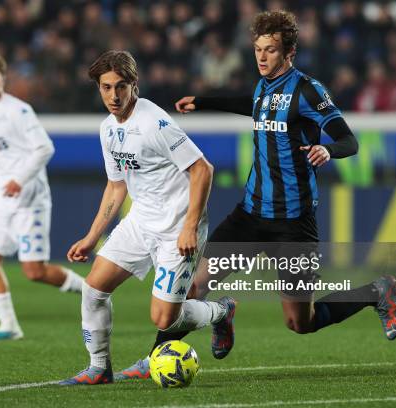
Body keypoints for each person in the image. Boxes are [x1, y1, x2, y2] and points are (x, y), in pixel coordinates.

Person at [116, 10, 396, 381]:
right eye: (257, 49)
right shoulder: (263, 86)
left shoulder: (307, 90)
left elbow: (348, 138)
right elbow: (248, 103)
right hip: (249, 217)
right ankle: (156, 355)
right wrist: (201, 101)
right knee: (193, 287)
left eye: (270, 50)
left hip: (293, 226)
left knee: (301, 322)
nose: (262, 57)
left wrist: (329, 150)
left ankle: (377, 291)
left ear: (290, 52)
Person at [59, 50, 236, 386]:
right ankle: (99, 368)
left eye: (120, 87)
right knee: (93, 287)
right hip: (141, 221)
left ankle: (222, 311)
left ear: (134, 85)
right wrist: (92, 236)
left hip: (177, 227)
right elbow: (115, 187)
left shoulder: (154, 123)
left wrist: (189, 228)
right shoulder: (108, 129)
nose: (114, 95)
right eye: (106, 87)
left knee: (165, 318)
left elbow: (202, 170)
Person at [0, 52, 84, 341]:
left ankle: (91, 291)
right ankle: (9, 326)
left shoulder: (18, 110)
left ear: (3, 78)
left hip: (30, 199)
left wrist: (20, 179)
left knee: (34, 271)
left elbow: (45, 148)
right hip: (0, 200)